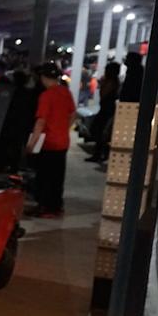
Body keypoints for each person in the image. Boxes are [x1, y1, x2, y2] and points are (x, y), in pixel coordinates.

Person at [26, 62, 76, 218]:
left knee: (45, 176)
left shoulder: (46, 96)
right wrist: (63, 128)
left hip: (49, 143)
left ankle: (45, 207)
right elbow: (73, 115)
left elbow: (40, 121)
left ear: (44, 78)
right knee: (57, 176)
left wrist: (32, 143)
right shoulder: (66, 93)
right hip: (63, 142)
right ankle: (56, 206)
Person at [86, 62, 122, 162]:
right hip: (107, 110)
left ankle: (99, 154)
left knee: (99, 131)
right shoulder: (114, 81)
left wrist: (102, 84)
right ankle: (102, 154)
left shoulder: (111, 82)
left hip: (106, 110)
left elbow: (103, 94)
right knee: (102, 132)